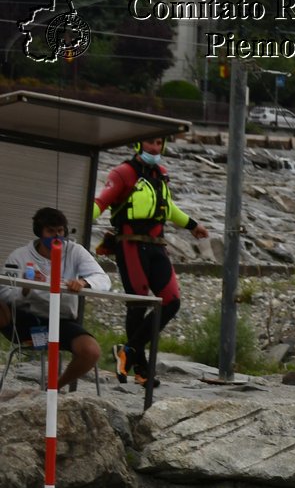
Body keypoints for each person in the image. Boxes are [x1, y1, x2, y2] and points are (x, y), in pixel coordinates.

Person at [91, 135, 209, 386]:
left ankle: (128, 351)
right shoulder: (123, 173)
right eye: (149, 143)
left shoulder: (161, 173)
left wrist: (192, 225)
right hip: (131, 245)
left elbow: (169, 207)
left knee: (171, 302)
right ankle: (142, 371)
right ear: (137, 145)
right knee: (138, 304)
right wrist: (72, 218)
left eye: (158, 143)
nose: (154, 148)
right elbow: (101, 203)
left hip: (157, 246)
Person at [0, 207, 110, 387]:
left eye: (60, 231)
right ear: (39, 232)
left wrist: (84, 282)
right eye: (50, 231)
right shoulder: (19, 256)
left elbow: (103, 279)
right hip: (23, 320)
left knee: (91, 351)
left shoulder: (76, 251)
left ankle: (55, 386)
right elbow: (4, 291)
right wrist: (25, 290)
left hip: (61, 321)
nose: (57, 236)